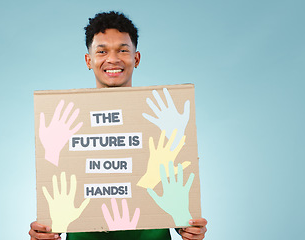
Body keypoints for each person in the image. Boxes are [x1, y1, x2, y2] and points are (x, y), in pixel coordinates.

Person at [29, 11, 208, 240]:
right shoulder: (68, 126)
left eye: (123, 50)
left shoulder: (160, 122)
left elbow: (175, 195)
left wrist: (187, 224)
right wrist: (44, 231)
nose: (112, 59)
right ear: (89, 60)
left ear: (137, 58)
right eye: (102, 51)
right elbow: (59, 200)